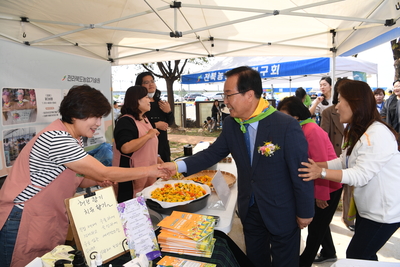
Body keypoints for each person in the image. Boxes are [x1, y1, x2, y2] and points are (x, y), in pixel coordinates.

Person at [0, 85, 169, 267]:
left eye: (100, 117)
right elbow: (102, 171)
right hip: (24, 217)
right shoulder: (57, 138)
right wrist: (152, 170)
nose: (98, 123)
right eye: (95, 116)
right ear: (75, 114)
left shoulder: (75, 138)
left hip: (48, 217)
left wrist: (96, 180)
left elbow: (76, 178)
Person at [162, 66, 314, 267]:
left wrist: (305, 211)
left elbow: (300, 170)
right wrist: (176, 166)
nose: (225, 101)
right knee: (255, 260)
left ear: (249, 95)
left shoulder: (285, 125)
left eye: (228, 95)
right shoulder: (232, 124)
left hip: (280, 210)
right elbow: (212, 153)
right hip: (249, 208)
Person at [299, 79, 400, 261]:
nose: (336, 107)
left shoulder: (376, 134)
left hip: (384, 212)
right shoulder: (359, 130)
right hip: (368, 209)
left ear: (355, 103)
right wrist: (317, 165)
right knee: (365, 255)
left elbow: (360, 175)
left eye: (340, 101)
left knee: (356, 255)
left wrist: (320, 173)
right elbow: (343, 161)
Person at [277, 97, 342, 267]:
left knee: (316, 228)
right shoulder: (299, 128)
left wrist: (321, 195)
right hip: (317, 184)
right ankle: (329, 252)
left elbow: (320, 166)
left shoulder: (311, 129)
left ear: (296, 116)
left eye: (285, 116)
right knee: (322, 224)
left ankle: (304, 262)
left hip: (328, 185)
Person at [113, 86, 160, 202]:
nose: (149, 100)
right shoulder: (125, 121)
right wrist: (149, 135)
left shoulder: (145, 118)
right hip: (131, 177)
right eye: (145, 97)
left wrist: (160, 161)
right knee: (131, 210)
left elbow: (148, 149)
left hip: (149, 174)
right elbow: (125, 147)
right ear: (136, 100)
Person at [320, 79, 355, 234]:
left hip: (351, 162)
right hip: (336, 159)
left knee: (352, 192)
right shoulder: (329, 112)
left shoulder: (364, 119)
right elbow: (324, 137)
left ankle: (349, 219)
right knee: (331, 200)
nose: (339, 104)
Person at [135, 72, 174, 162]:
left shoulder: (160, 103)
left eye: (152, 81)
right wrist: (155, 125)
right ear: (139, 86)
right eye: (146, 82)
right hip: (146, 146)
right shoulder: (138, 105)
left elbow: (170, 122)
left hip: (162, 144)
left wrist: (168, 112)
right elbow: (137, 125)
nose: (151, 84)